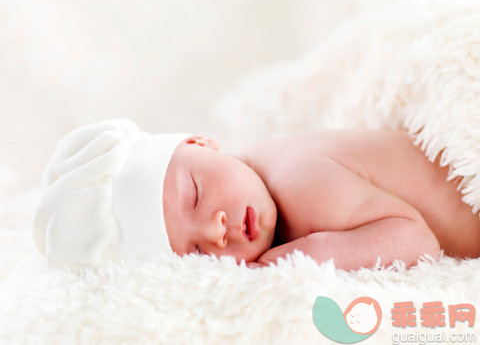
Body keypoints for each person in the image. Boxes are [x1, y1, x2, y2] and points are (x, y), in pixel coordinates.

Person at [33, 119, 479, 271]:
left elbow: (417, 241)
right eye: (194, 253)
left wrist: (303, 256)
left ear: (200, 143)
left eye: (195, 193)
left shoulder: (300, 184)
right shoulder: (257, 176)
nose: (215, 230)